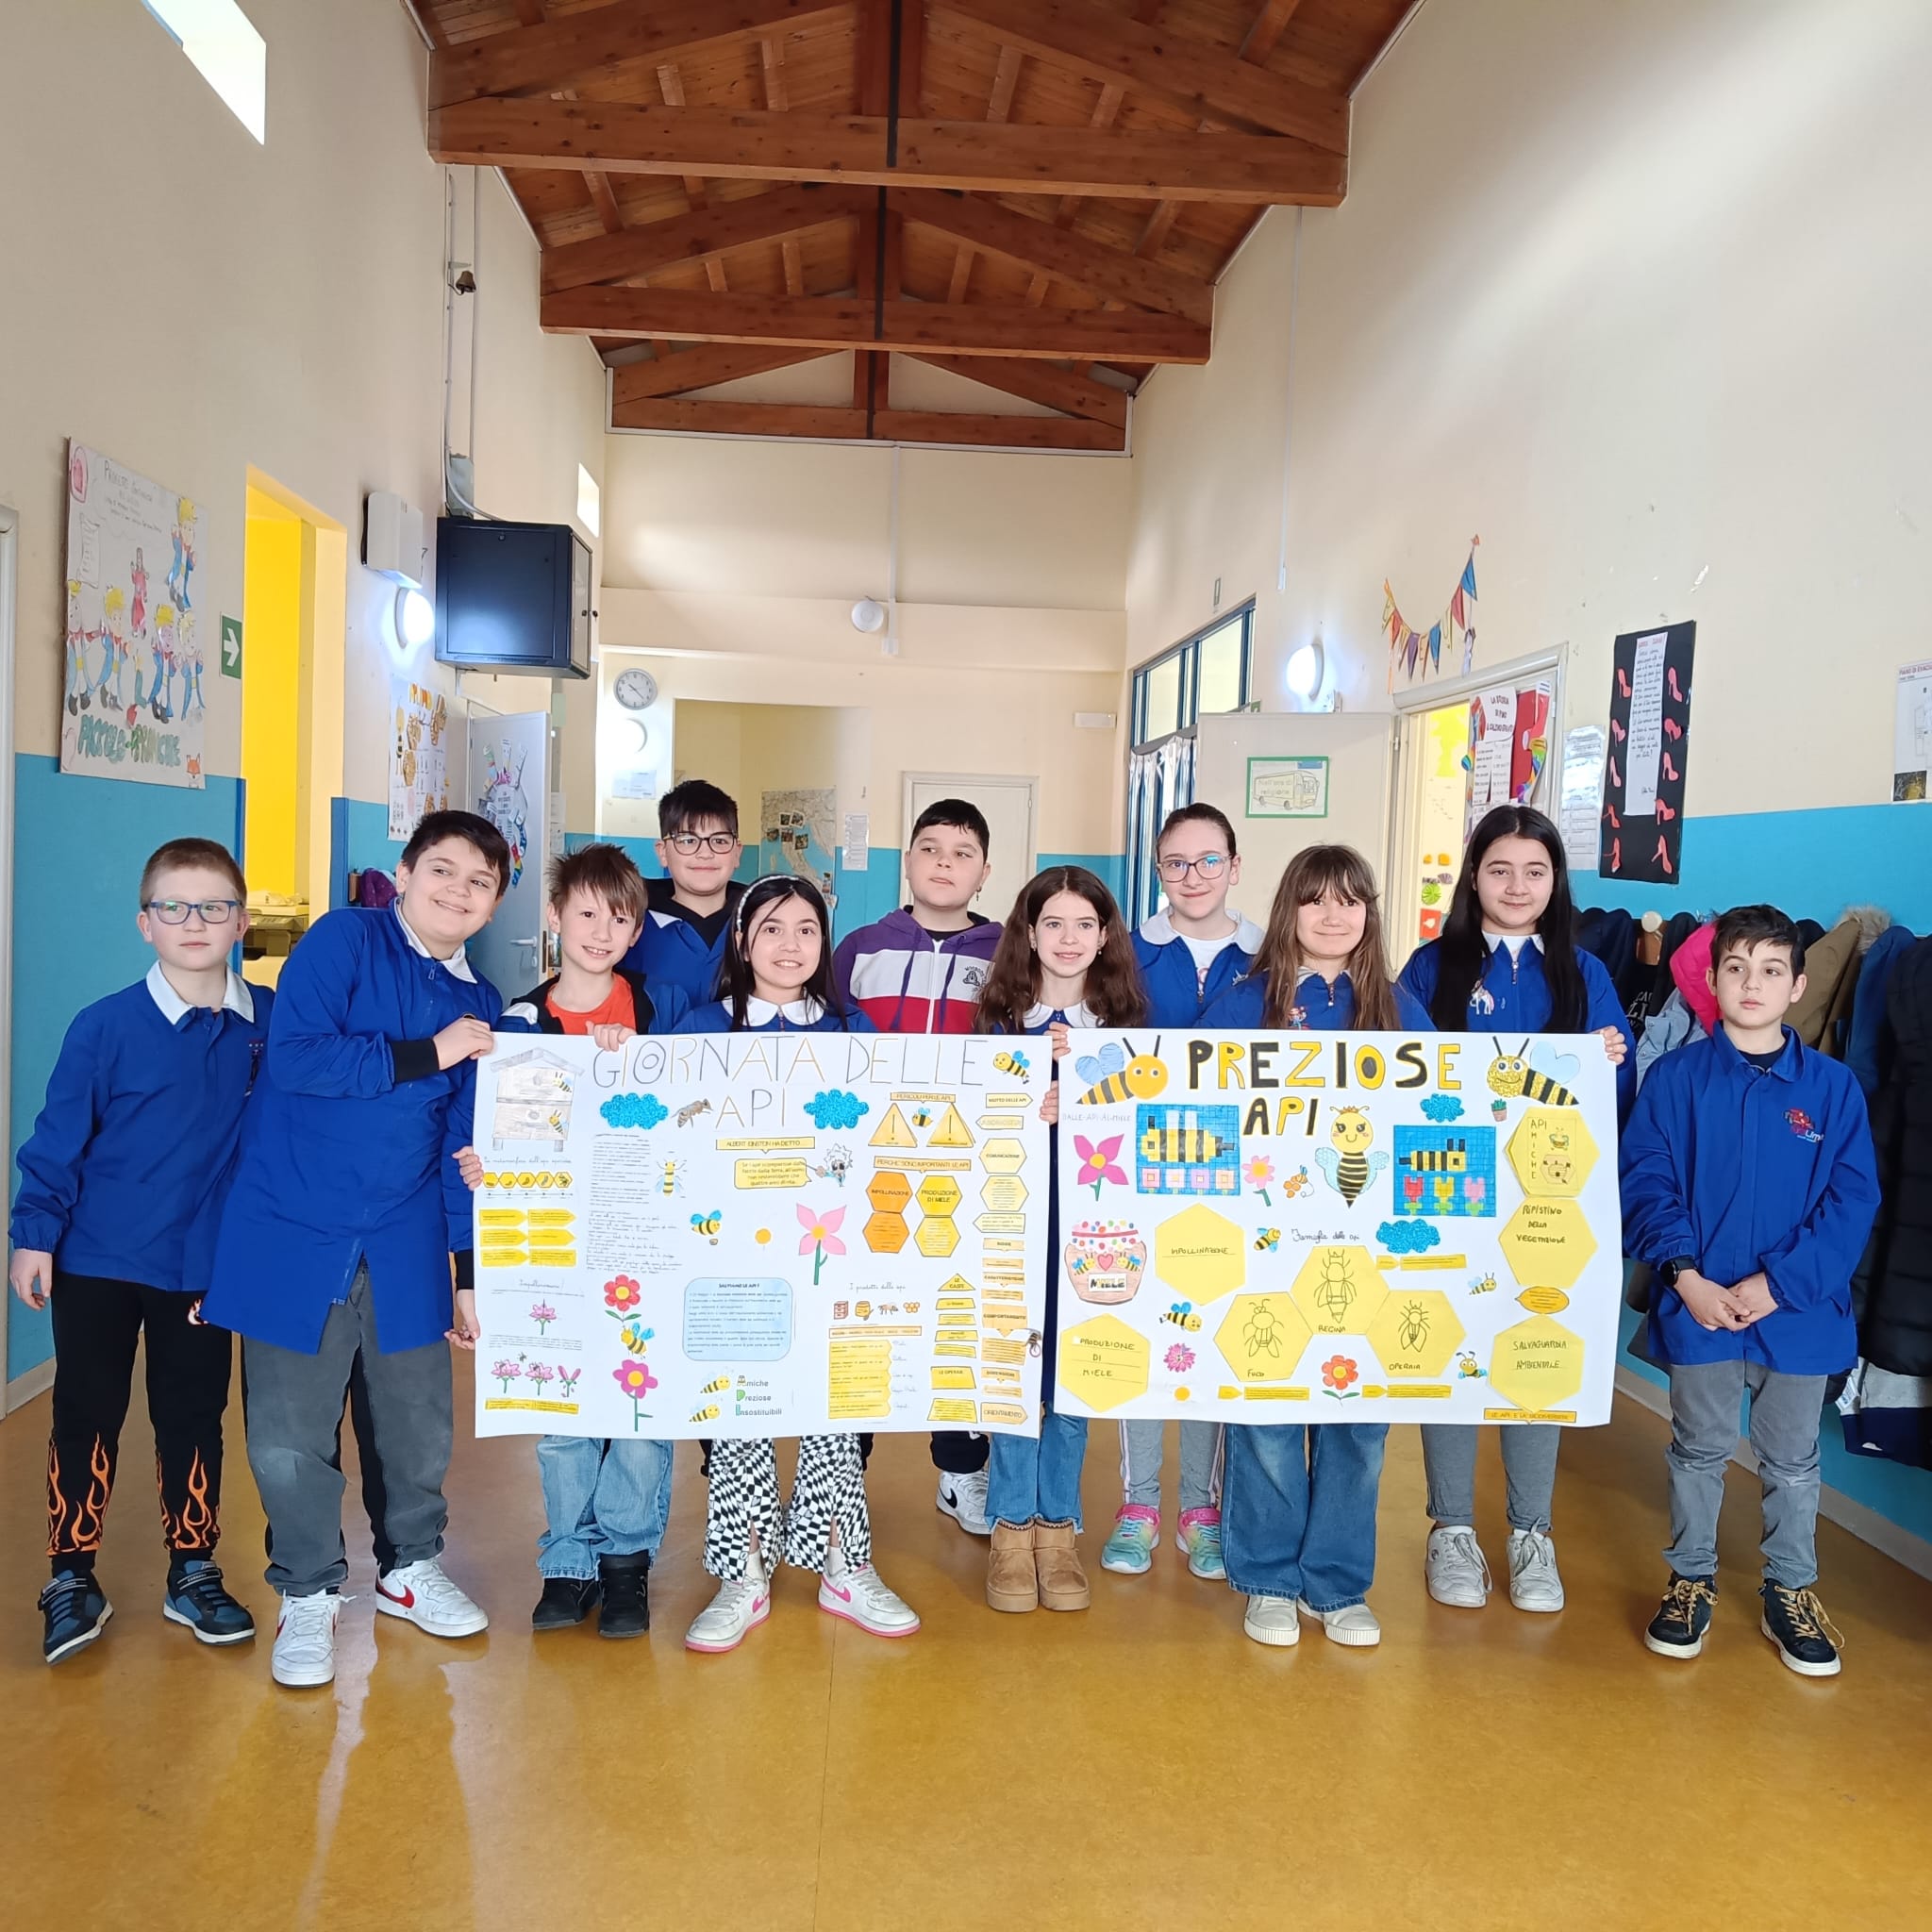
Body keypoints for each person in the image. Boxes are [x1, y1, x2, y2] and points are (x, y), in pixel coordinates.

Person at [201, 810, 508, 1689]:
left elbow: (460, 1144)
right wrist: (429, 1051)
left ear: (493, 906)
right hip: (293, 1224)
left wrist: (467, 1271)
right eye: (442, 870)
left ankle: (410, 1569)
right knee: (288, 1432)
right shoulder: (344, 940)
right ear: (404, 874)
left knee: (418, 1421)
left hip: (406, 1234)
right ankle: (308, 1592)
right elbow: (298, 1059)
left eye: (479, 882)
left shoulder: (483, 1004)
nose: (457, 891)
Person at [11, 840, 270, 1664]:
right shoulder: (104, 1026)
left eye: (214, 907)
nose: (195, 922)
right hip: (97, 1261)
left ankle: (192, 1570)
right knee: (85, 1412)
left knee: (192, 1415)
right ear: (144, 923)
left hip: (202, 1267)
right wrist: (33, 1235)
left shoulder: (269, 1024)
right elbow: (57, 1140)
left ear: (241, 922)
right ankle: (70, 1575)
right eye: (173, 907)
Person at [1622, 905, 1880, 1676]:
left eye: (1772, 970)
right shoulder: (1675, 1080)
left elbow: (1852, 1201)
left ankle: (1790, 1590)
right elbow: (1647, 1180)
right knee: (1698, 1449)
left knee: (1792, 1460)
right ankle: (1690, 1579)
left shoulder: (1833, 1089)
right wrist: (1685, 1275)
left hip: (1797, 1314)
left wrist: (1780, 1283)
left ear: (1798, 985)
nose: (1752, 984)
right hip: (1700, 1304)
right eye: (1736, 968)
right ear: (1713, 979)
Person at [672, 875, 918, 1651]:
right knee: (738, 1408)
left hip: (831, 1255)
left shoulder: (853, 1030)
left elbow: (905, 1120)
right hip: (730, 1258)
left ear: (824, 943)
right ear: (743, 941)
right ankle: (743, 1572)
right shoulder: (698, 1029)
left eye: (807, 929)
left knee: (834, 1409)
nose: (790, 945)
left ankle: (845, 1564)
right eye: (772, 928)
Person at [1398, 804, 1633, 1614]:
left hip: (1547, 1204)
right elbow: (1393, 1073)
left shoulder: (1584, 973)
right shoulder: (1431, 968)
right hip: (1450, 1193)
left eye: (1536, 871)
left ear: (1556, 881)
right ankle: (1452, 1528)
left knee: (1537, 1348)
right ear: (1474, 878)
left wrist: (1609, 1062)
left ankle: (1533, 1531)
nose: (1517, 886)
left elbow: (1613, 1100)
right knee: (1454, 1352)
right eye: (1499, 870)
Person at [1199, 844, 1431, 1648]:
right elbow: (1190, 1106)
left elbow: (1451, 1108)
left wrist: (1592, 1063)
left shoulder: (1401, 1010)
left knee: (1358, 1429)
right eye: (1316, 900)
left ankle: (1335, 1584)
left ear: (1370, 914)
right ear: (1288, 908)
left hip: (1373, 1260)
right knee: (1267, 1420)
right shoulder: (1241, 1004)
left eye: (1351, 901)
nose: (1334, 916)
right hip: (1266, 1251)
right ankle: (1267, 1577)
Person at [499, 843, 687, 1640]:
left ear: (638, 929)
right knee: (565, 1413)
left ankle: (625, 1562)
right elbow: (503, 1133)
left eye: (619, 918)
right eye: (585, 913)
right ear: (554, 917)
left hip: (651, 1242)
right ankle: (568, 1560)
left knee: (641, 1406)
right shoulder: (518, 1023)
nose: (601, 931)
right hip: (557, 1249)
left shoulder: (662, 1009)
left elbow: (700, 1108)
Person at [977, 866, 1149, 1615]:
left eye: (1085, 924)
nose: (1069, 939)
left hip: (1095, 1229)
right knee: (1016, 1374)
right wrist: (1024, 1099)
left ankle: (1058, 1528)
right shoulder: (995, 1024)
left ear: (1105, 936)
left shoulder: (1129, 1030)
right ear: (1030, 932)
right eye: (1053, 923)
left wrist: (1090, 1096)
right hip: (1012, 1227)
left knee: (1075, 1376)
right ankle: (1010, 1527)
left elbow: (1149, 1125)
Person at [832, 798, 1003, 1537]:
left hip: (968, 1167)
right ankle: (845, 1473)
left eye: (962, 853)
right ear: (907, 860)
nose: (944, 863)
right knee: (862, 1316)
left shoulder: (1007, 952)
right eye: (930, 848)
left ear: (984, 871)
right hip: (869, 1165)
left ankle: (962, 1471)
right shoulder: (860, 947)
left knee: (958, 1313)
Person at [1104, 802, 1264, 1583]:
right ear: (1157, 869)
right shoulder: (1124, 954)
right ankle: (1139, 1504)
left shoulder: (1273, 958)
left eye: (1208, 861)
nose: (1192, 876)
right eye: (1175, 862)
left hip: (1241, 1186)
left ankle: (1201, 1509)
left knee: (1212, 1335)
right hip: (1135, 1179)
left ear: (1235, 867)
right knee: (1142, 1331)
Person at [622, 779, 746, 1007]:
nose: (705, 853)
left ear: (737, 853)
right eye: (688, 840)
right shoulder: (630, 923)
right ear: (663, 852)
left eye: (719, 840)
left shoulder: (759, 921)